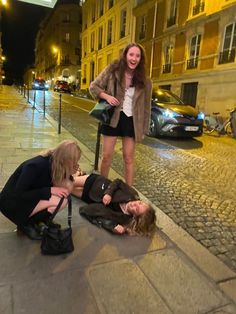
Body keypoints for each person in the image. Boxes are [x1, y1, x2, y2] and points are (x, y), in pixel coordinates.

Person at [89, 43, 152, 186]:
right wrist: (107, 97)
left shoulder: (145, 81)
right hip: (112, 118)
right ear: (125, 55)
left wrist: (143, 129)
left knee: (128, 158)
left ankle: (128, 192)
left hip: (131, 121)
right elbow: (93, 86)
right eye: (131, 54)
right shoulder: (113, 71)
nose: (134, 59)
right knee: (106, 157)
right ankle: (102, 187)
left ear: (141, 59)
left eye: (137, 56)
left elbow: (147, 108)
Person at [0, 140, 81, 240]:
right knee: (60, 200)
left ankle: (39, 221)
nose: (76, 164)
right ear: (66, 159)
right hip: (11, 203)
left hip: (30, 196)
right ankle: (25, 224)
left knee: (62, 199)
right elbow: (19, 194)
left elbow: (67, 185)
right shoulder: (35, 165)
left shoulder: (55, 163)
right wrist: (49, 190)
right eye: (74, 161)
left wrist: (70, 174)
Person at [72, 173, 156, 237]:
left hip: (89, 198)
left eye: (137, 209)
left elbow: (100, 215)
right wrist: (109, 193)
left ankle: (77, 173)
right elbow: (118, 182)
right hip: (97, 183)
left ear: (134, 216)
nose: (135, 204)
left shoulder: (123, 218)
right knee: (66, 182)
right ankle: (77, 174)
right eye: (140, 203)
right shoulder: (132, 194)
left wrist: (112, 226)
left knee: (67, 188)